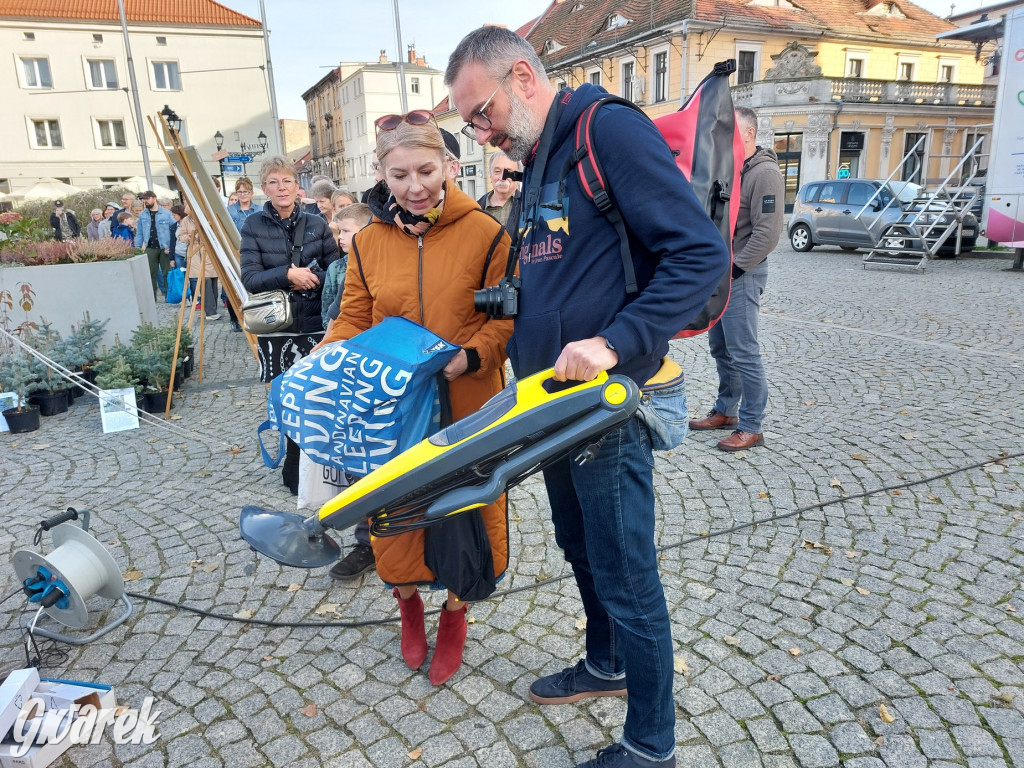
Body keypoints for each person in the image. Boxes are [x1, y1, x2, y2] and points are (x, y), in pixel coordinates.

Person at [447, 27, 728, 768]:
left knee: (627, 571)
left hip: (606, 405)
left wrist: (613, 340)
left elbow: (700, 255)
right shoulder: (539, 160)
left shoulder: (608, 130)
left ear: (522, 77)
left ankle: (651, 742)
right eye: (469, 124)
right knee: (580, 549)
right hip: (552, 408)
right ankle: (605, 663)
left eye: (481, 113)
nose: (480, 134)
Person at [319, 113, 513, 685]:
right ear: (381, 173)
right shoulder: (370, 242)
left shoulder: (487, 234)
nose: (414, 186)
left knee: (469, 507)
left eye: (426, 170)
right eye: (399, 174)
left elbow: (503, 323)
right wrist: (324, 362)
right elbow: (354, 316)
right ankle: (408, 605)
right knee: (394, 512)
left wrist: (470, 356)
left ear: (450, 167)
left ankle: (456, 613)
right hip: (392, 405)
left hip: (470, 398)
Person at [241, 156, 339, 493]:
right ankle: (294, 466)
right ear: (264, 187)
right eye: (273, 182)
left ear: (298, 186)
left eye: (287, 181)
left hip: (314, 324)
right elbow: (250, 278)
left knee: (317, 398)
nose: (281, 188)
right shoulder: (253, 224)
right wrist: (287, 275)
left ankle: (321, 465)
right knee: (287, 400)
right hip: (277, 330)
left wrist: (309, 277)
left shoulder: (317, 224)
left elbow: (337, 273)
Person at [689, 107, 783, 452]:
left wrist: (734, 269)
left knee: (744, 352)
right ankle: (726, 411)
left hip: (742, 273)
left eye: (731, 132)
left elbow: (768, 233)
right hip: (722, 274)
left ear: (749, 133)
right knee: (720, 348)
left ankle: (751, 425)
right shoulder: (731, 169)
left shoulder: (765, 173)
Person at [321, 202, 369, 332]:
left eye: (346, 231)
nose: (340, 236)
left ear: (367, 231)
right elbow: (327, 310)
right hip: (341, 336)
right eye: (340, 231)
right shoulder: (336, 268)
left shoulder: (378, 265)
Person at [178, 203, 219, 316]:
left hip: (210, 253)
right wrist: (189, 237)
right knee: (204, 282)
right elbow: (181, 235)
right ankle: (210, 312)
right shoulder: (186, 220)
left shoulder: (208, 216)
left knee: (213, 282)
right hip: (196, 254)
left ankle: (213, 308)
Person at [134, 190, 174, 299]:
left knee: (167, 272)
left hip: (165, 247)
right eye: (143, 199)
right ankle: (152, 296)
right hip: (150, 247)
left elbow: (174, 230)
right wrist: (138, 248)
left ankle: (168, 295)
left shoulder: (166, 213)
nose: (145, 201)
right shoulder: (143, 214)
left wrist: (172, 247)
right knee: (150, 273)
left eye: (147, 199)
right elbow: (140, 232)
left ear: (154, 198)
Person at [477, 151, 522, 235]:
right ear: (490, 176)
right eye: (497, 171)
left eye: (508, 172)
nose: (502, 177)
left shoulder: (528, 207)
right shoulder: (476, 208)